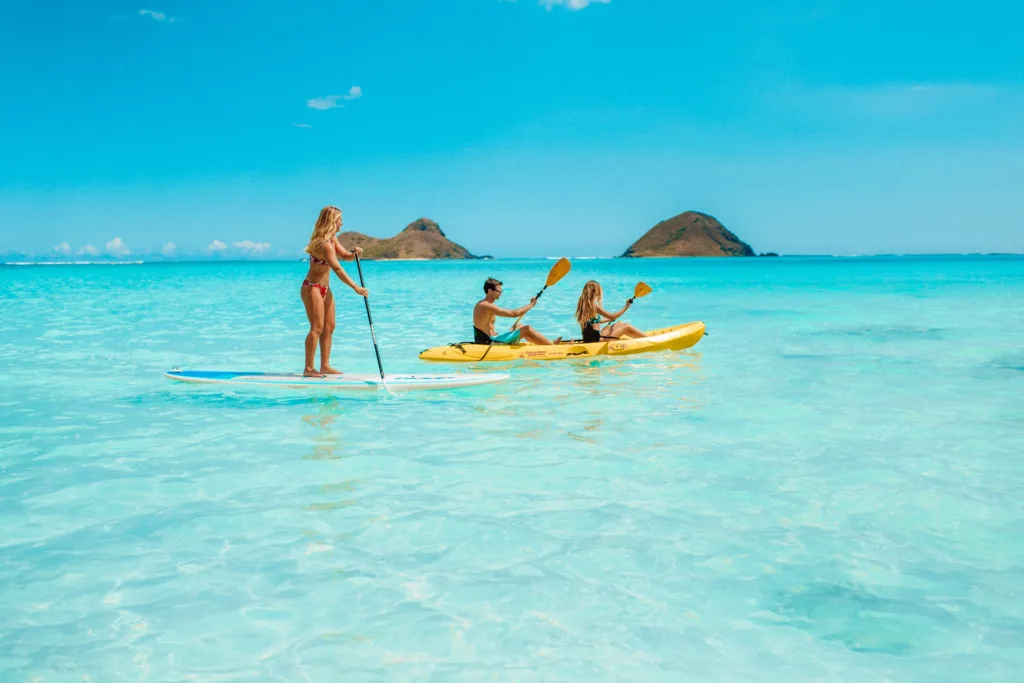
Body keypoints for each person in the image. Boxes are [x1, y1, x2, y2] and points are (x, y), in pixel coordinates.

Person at [300, 206, 369, 377]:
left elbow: (345, 256)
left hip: (325, 289)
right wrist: (355, 287)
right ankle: (308, 368)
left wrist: (355, 253)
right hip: (312, 287)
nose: (342, 223)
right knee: (317, 327)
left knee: (329, 327)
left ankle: (325, 366)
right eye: (340, 219)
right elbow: (337, 268)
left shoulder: (332, 239)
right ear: (332, 221)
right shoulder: (323, 244)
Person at [473, 277, 561, 345]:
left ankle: (543, 345)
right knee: (527, 328)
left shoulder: (483, 304)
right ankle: (552, 346)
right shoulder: (486, 305)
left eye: (501, 291)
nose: (500, 293)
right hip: (489, 341)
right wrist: (531, 305)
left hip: (492, 337)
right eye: (498, 291)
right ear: (489, 291)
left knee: (520, 326)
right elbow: (514, 314)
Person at [574, 280, 647, 343]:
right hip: (599, 341)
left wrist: (609, 320)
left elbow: (593, 322)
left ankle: (641, 336)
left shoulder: (583, 304)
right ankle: (649, 339)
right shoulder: (594, 306)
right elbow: (613, 316)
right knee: (627, 326)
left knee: (619, 323)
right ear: (595, 291)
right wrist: (627, 306)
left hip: (591, 338)